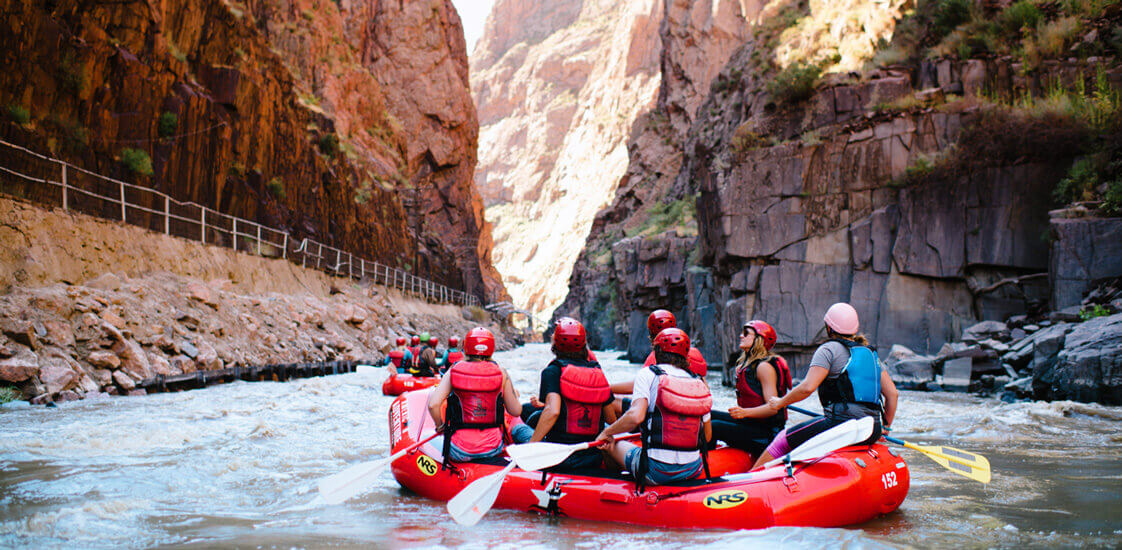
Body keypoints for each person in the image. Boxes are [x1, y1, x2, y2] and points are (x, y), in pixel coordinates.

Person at [754, 303, 899, 469]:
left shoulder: (829, 350)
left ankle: (748, 479)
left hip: (842, 426)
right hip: (872, 429)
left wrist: (781, 402)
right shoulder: (870, 353)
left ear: (829, 328)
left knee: (782, 440)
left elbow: (807, 388)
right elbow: (893, 394)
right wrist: (885, 427)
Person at [596, 328, 713, 486]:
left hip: (657, 472)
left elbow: (636, 416)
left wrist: (607, 432)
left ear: (657, 351)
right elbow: (707, 436)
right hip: (694, 469)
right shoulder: (699, 382)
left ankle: (611, 487)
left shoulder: (648, 374)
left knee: (609, 441)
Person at [511, 318, 615, 472]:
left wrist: (530, 449)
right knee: (532, 414)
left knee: (518, 430)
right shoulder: (596, 371)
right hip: (592, 456)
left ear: (555, 343)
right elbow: (611, 420)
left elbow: (552, 411)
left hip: (559, 457)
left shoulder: (553, 371)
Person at [427, 327, 522, 465]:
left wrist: (440, 426)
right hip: (492, 449)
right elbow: (516, 411)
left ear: (466, 346)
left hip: (459, 451)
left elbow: (433, 405)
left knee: (433, 442)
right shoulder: (501, 372)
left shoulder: (454, 370)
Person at [710, 320, 791, 456]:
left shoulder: (764, 367)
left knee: (714, 426)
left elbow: (773, 408)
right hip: (751, 424)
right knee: (707, 415)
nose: (741, 336)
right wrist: (744, 414)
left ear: (759, 340)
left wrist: (744, 412)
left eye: (746, 333)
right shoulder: (745, 365)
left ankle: (707, 464)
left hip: (767, 434)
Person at [608, 309, 707, 414]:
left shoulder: (657, 356)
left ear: (651, 333)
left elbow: (640, 385)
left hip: (662, 413)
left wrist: (606, 388)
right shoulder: (695, 354)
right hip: (693, 411)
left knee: (610, 400)